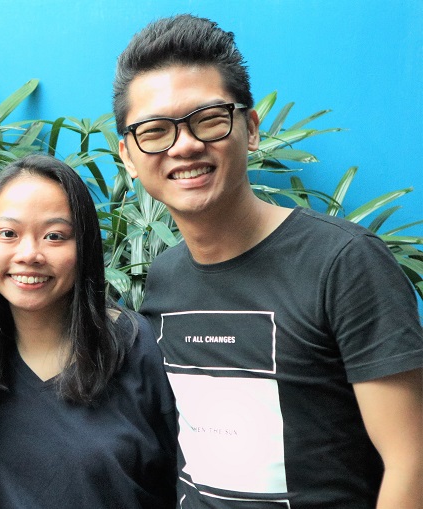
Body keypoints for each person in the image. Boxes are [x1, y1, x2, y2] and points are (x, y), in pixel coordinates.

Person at [114, 14, 423, 509]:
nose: (186, 144)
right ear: (129, 156)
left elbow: (412, 462)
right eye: (155, 130)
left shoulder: (344, 263)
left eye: (209, 119)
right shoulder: (166, 276)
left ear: (251, 128)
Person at [0, 154, 177, 508]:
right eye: (8, 233)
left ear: (85, 245)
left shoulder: (137, 346)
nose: (29, 253)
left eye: (54, 236)